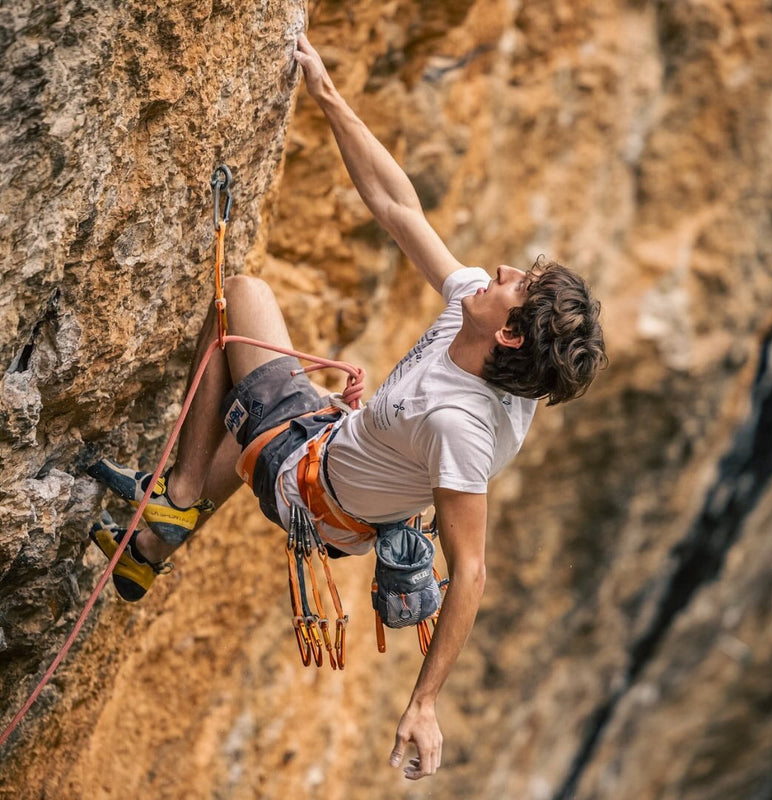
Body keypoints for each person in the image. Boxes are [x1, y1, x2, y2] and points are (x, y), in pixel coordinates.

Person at [88, 34, 607, 781]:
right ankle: (148, 554)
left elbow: (472, 571)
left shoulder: (459, 424)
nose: (500, 269)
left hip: (312, 489)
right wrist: (328, 95)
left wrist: (423, 704)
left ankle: (177, 500)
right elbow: (398, 205)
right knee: (284, 405)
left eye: (517, 282)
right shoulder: (472, 311)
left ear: (512, 332)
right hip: (337, 449)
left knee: (243, 299)